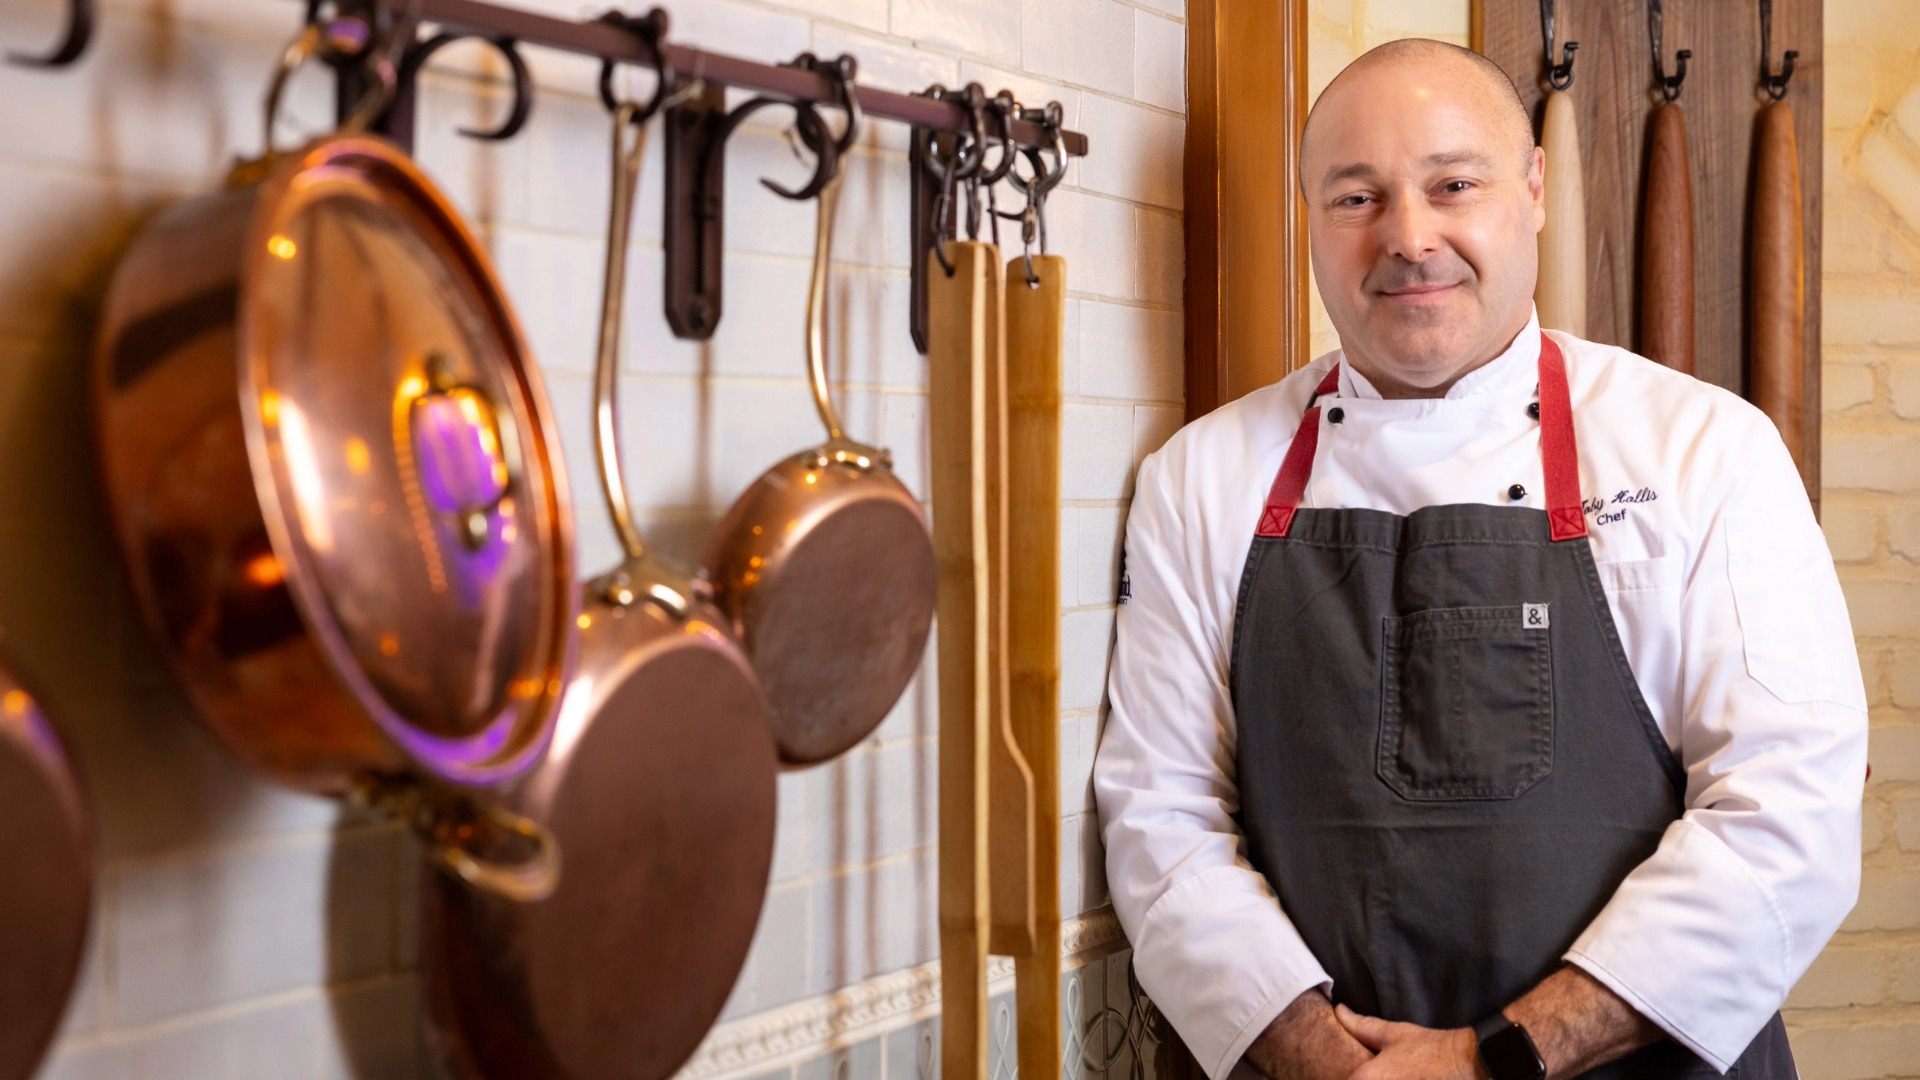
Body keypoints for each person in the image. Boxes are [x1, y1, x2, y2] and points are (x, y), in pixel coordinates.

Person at [1093, 38, 1866, 1080]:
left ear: (1535, 190)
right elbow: (1162, 821)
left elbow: (1791, 819)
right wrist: (1329, 1061)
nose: (1410, 238)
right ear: (1309, 218)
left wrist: (1494, 1060)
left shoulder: (1703, 452)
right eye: (1355, 198)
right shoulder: (1201, 479)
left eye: (1453, 185)